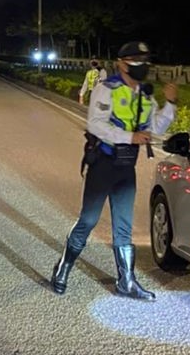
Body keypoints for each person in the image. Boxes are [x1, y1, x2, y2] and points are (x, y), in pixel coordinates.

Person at [52, 41, 179, 301]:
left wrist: (170, 103)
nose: (142, 65)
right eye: (136, 60)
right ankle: (63, 267)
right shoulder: (106, 88)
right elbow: (96, 125)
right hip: (103, 164)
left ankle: (126, 281)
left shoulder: (145, 94)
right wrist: (129, 137)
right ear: (122, 63)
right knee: (88, 220)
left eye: (145, 60)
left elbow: (156, 126)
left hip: (126, 168)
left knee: (124, 227)